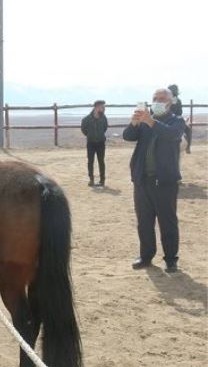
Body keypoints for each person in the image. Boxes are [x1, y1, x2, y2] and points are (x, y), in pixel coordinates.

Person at [123, 88, 185, 274]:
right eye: (154, 98)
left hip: (164, 182)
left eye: (161, 98)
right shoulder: (144, 122)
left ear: (171, 101)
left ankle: (171, 259)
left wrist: (151, 121)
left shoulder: (177, 121)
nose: (157, 101)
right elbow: (128, 136)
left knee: (167, 222)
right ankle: (146, 256)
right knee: (144, 221)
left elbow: (171, 134)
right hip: (142, 180)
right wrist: (134, 123)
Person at [81, 100, 109, 187]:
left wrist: (99, 135)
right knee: (90, 162)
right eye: (102, 107)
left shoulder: (104, 118)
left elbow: (105, 128)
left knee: (101, 161)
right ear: (96, 107)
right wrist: (90, 135)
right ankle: (91, 180)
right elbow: (84, 130)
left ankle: (102, 180)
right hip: (91, 143)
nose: (104, 109)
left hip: (101, 143)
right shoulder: (86, 119)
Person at [168, 84, 192, 154]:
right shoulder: (178, 100)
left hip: (167, 118)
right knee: (188, 129)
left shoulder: (166, 99)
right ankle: (188, 147)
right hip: (175, 119)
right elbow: (180, 112)